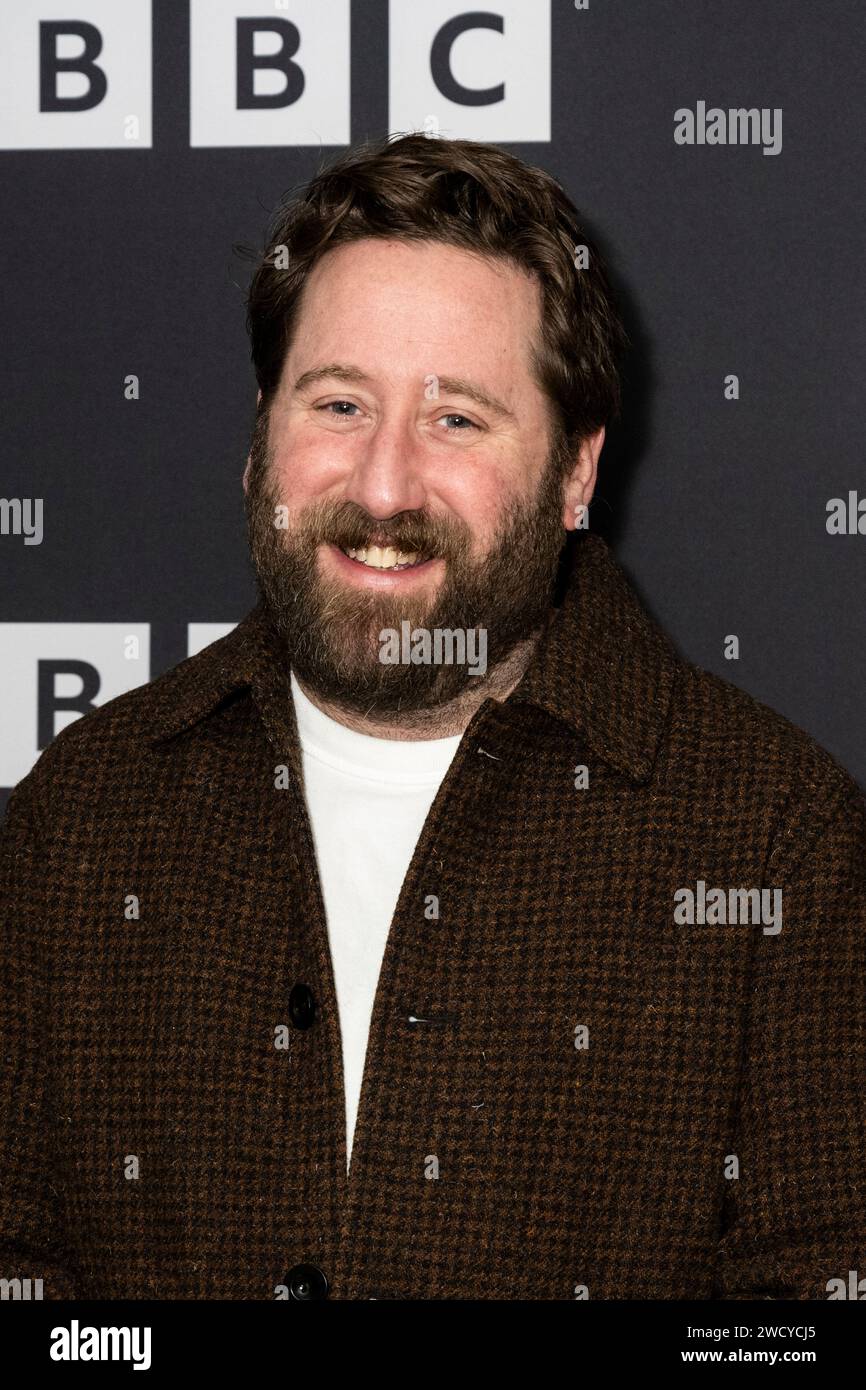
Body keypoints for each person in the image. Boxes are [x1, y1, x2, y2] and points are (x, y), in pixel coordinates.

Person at [1, 133, 864, 1301]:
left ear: (575, 474)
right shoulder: (82, 813)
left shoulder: (778, 843)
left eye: (456, 418)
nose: (383, 486)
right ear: (262, 439)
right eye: (341, 402)